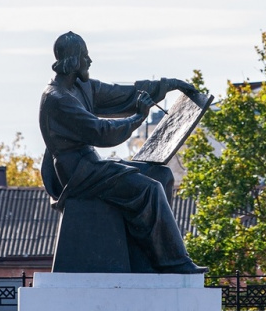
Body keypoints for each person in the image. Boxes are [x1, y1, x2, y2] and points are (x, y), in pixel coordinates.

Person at [38, 31, 206, 274]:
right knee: (149, 189)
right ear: (74, 61)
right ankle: (174, 263)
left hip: (91, 166)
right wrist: (138, 117)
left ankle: (149, 259)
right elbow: (101, 132)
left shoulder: (81, 88)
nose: (90, 61)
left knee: (161, 175)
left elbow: (123, 93)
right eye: (85, 56)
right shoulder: (57, 98)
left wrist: (169, 85)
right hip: (77, 174)